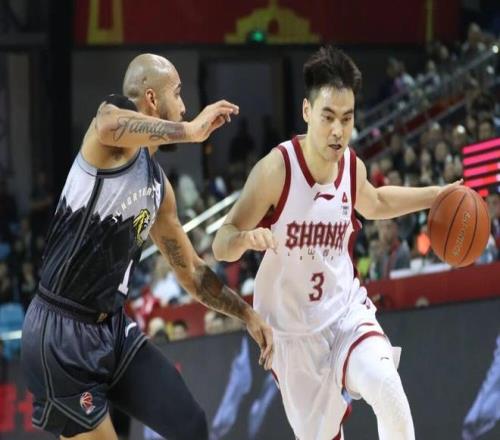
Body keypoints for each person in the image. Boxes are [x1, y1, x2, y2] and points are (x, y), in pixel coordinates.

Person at [21, 53, 273, 440]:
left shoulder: (159, 188)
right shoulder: (110, 138)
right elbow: (110, 124)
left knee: (190, 425)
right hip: (61, 334)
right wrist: (189, 130)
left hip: (112, 329)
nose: (185, 106)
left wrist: (248, 314)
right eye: (178, 93)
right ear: (152, 99)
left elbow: (193, 273)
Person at [213, 45, 460, 440]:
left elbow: (376, 202)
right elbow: (220, 242)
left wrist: (437, 195)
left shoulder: (350, 165)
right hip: (292, 333)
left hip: (344, 311)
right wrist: (244, 238)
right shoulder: (276, 170)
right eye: (328, 117)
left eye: (347, 119)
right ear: (307, 111)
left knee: (387, 387)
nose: (337, 131)